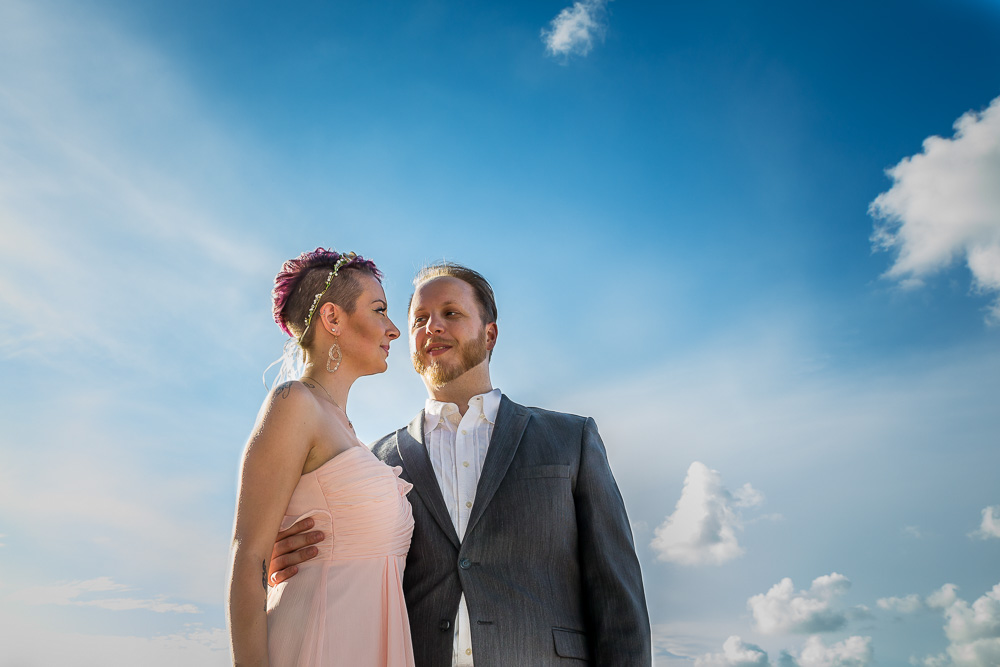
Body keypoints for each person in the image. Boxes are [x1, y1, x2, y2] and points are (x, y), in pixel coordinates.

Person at [270, 262, 652, 666]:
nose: (431, 326)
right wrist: (289, 559)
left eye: (450, 313)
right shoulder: (372, 464)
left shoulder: (571, 439)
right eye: (419, 319)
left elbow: (618, 601)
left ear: (490, 335)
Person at [228, 248, 415, 667]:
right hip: (315, 646)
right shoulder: (295, 403)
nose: (394, 329)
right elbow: (248, 556)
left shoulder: (350, 434)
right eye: (380, 309)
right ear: (332, 319)